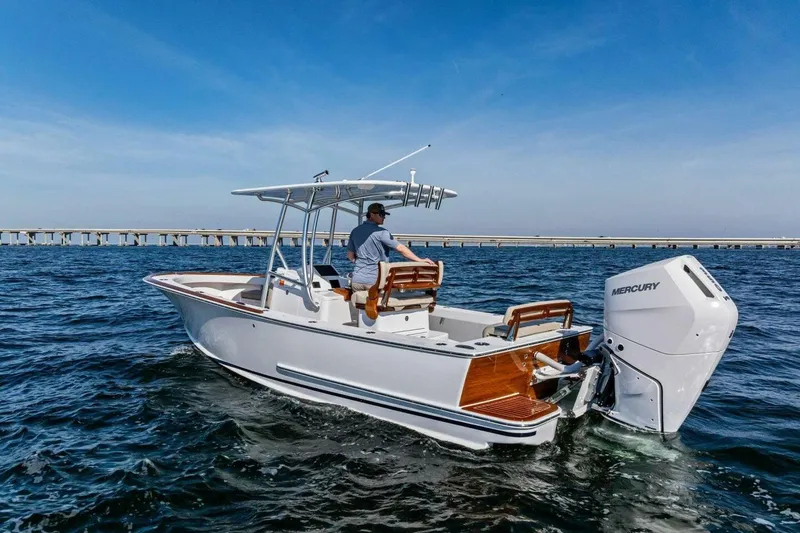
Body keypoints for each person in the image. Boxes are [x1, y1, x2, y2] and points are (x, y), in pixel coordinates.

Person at [347, 202, 435, 291]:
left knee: (361, 304)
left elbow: (350, 256)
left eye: (384, 215)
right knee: (378, 303)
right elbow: (401, 249)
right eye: (381, 214)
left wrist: (362, 264)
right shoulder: (382, 233)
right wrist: (420, 260)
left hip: (357, 280)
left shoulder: (355, 231)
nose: (384, 217)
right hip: (375, 281)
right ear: (372, 215)